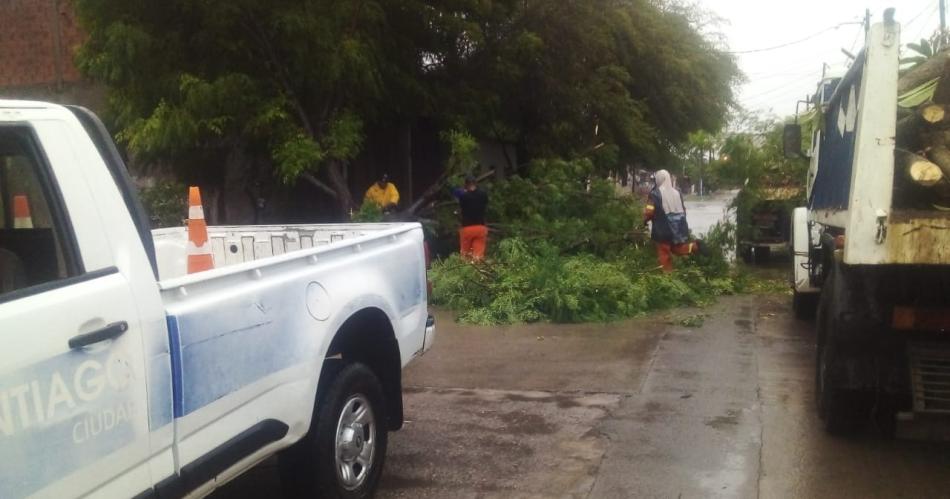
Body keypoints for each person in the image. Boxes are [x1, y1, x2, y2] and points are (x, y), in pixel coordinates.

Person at [644, 170, 698, 272]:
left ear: (659, 180)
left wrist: (644, 220)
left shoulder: (654, 194)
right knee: (677, 248)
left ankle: (667, 277)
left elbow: (649, 212)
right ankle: (695, 247)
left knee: (664, 253)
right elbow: (683, 210)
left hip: (663, 230)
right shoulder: (677, 193)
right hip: (678, 228)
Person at [453, 175, 489, 261]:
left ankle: (466, 271)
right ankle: (477, 271)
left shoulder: (463, 196)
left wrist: (464, 190)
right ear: (476, 184)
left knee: (465, 257)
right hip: (480, 228)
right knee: (478, 257)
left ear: (466, 185)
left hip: (467, 228)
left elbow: (454, 192)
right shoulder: (483, 194)